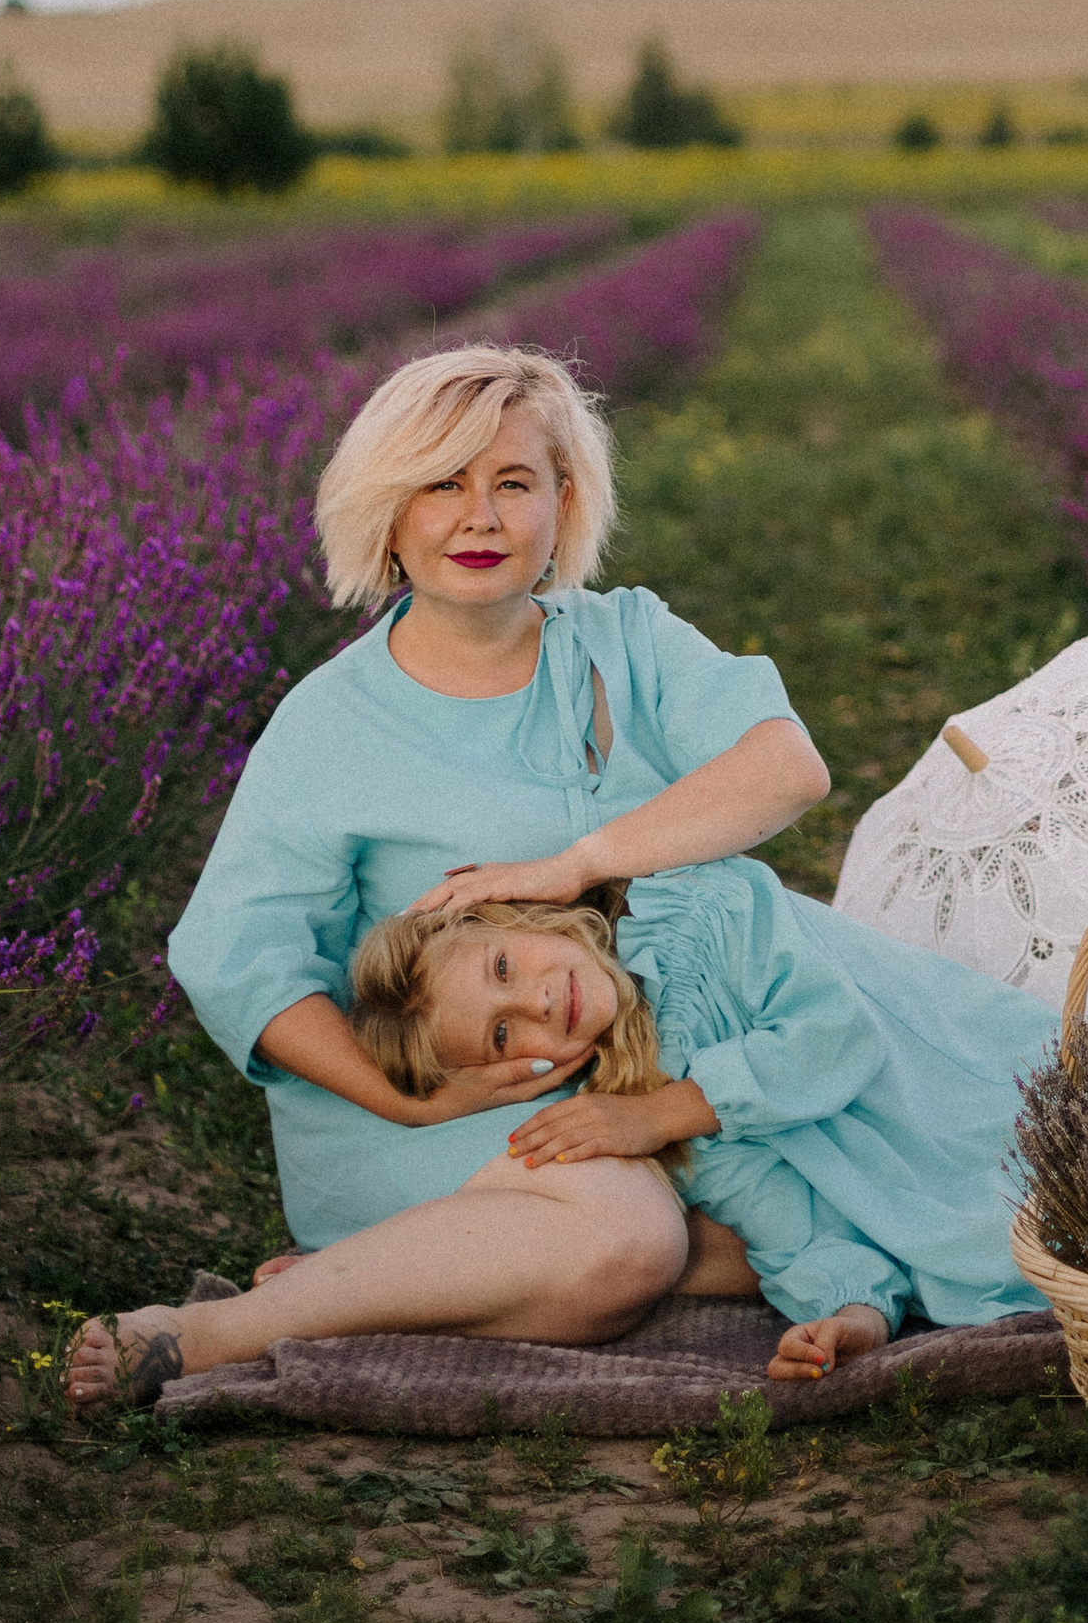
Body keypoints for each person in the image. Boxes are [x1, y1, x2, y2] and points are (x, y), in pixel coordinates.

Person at [157, 339, 830, 1346]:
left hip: (650, 1083)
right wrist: (407, 1104)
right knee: (632, 1242)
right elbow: (235, 959)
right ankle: (232, 1330)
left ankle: (396, 1275)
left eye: (513, 483)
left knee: (830, 1205)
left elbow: (787, 770)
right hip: (446, 1102)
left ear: (563, 501)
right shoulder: (332, 722)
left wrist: (580, 864)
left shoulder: (628, 639)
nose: (479, 517)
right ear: (387, 513)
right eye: (441, 484)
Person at [68, 855, 1052, 1402]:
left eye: (505, 968)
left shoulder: (710, 909)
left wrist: (661, 1111)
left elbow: (836, 1035)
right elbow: (806, 1229)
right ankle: (303, 1307)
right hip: (991, 1220)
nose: (539, 1004)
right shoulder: (667, 1130)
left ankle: (321, 1293)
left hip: (1023, 1088)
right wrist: (853, 1315)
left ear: (521, 918)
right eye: (505, 1035)